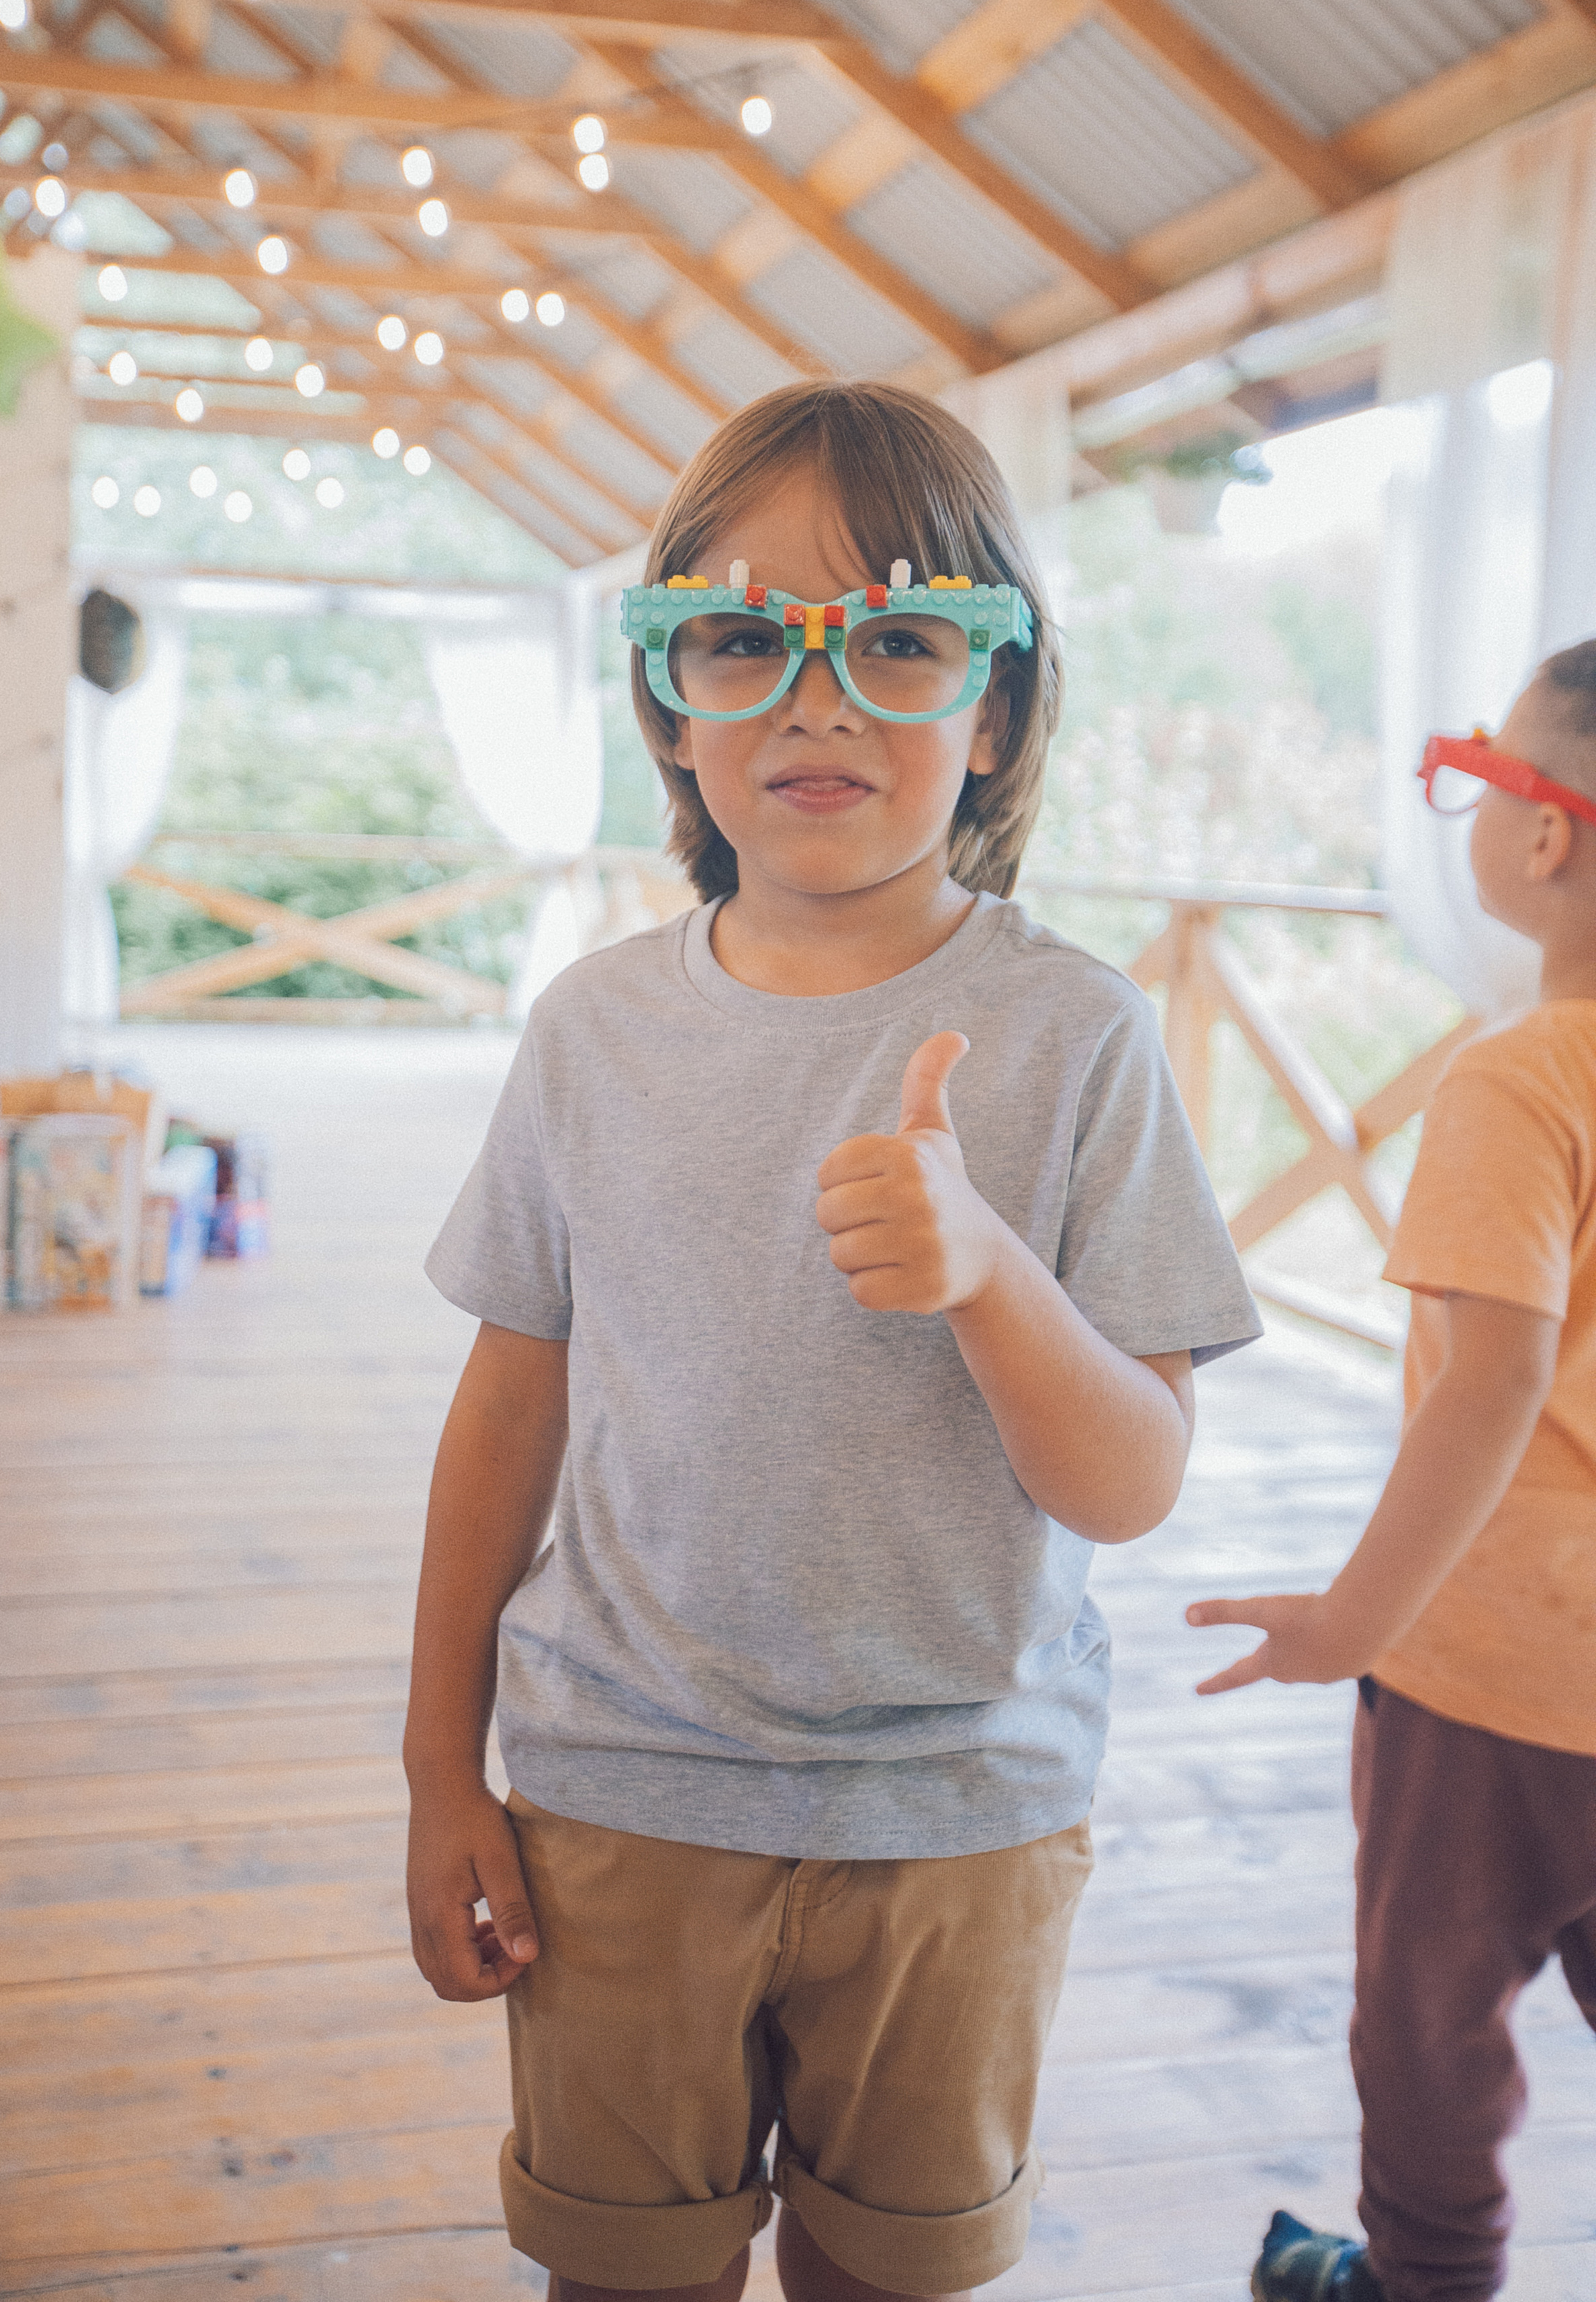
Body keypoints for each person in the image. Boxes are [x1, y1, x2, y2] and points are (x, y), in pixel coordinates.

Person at [406, 379, 1260, 2302]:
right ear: (669, 705)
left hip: (960, 1823)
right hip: (618, 1801)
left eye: (896, 640)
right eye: (741, 639)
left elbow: (1131, 1482)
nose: (818, 700)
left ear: (1001, 710)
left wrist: (989, 1275)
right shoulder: (591, 1028)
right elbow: (504, 1410)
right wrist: (436, 1774)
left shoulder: (1077, 1038)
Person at [1189, 643, 1596, 2302]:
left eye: (1477, 776)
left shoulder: (1519, 1072)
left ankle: (1424, 2281)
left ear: (1545, 836)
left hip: (1492, 1665)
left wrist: (1355, 1618)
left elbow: (1493, 1375)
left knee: (1426, 2014)